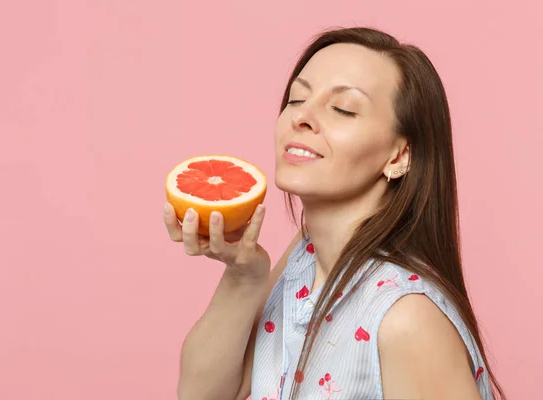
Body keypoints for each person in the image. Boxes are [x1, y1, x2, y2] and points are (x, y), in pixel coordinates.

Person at [164, 26, 505, 400]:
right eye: (296, 100)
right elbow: (201, 393)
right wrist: (244, 275)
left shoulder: (406, 318)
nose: (302, 118)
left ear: (399, 156)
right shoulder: (305, 262)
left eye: (343, 109)